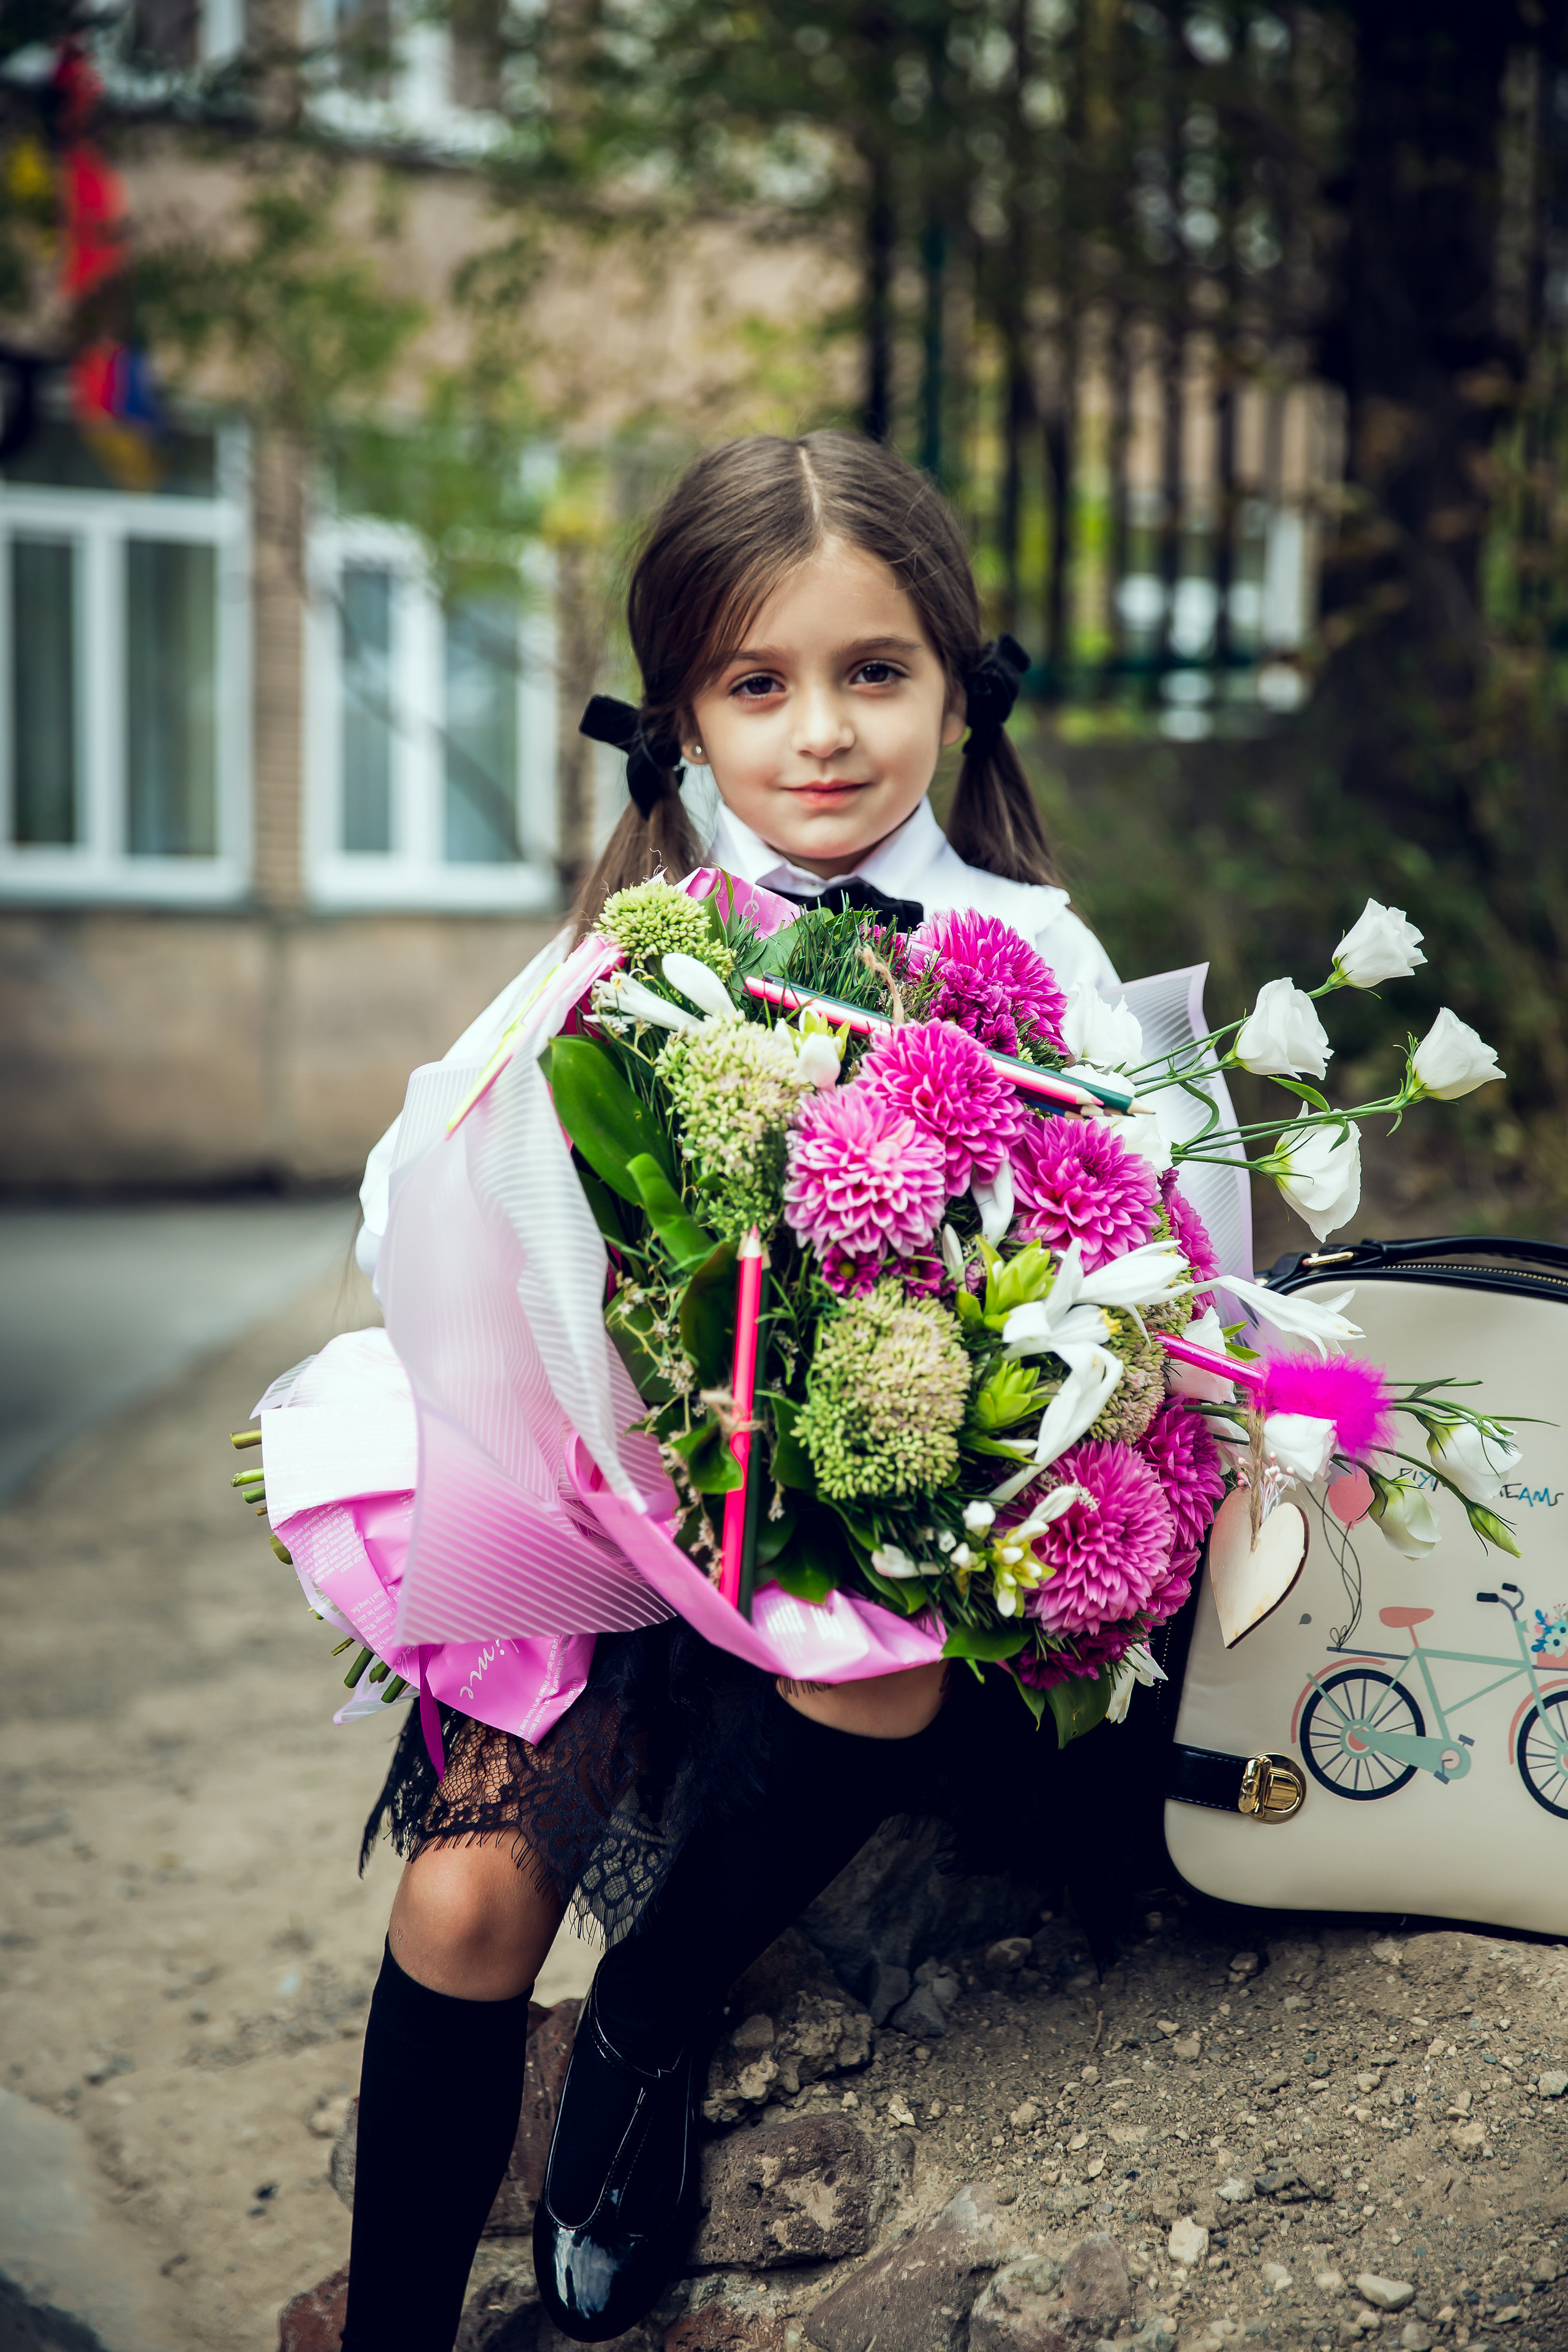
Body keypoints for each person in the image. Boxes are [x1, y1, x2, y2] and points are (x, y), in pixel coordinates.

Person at [340, 431, 1119, 2352]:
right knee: (453, 1913)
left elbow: (1151, 1248)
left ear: (956, 681)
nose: (823, 735)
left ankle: (642, 2027)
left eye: (876, 674)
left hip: (858, 1533)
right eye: (756, 685)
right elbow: (416, 1203)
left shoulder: (1032, 957)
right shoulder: (628, 952)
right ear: (682, 715)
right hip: (604, 1527)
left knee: (878, 1658)